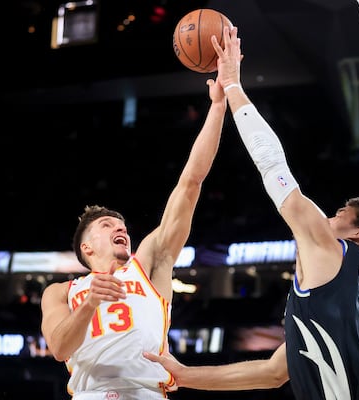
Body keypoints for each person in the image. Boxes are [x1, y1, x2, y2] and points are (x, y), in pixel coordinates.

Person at [144, 25, 359, 400]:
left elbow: (273, 167)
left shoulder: (331, 247)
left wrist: (232, 85)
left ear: (358, 232)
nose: (328, 216)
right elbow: (273, 373)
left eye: (341, 213)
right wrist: (184, 375)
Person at [40, 73, 227, 399]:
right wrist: (90, 304)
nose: (120, 228)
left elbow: (190, 183)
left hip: (147, 394)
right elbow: (58, 348)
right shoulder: (60, 292)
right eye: (107, 225)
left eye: (122, 224)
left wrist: (218, 107)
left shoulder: (149, 262)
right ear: (87, 247)